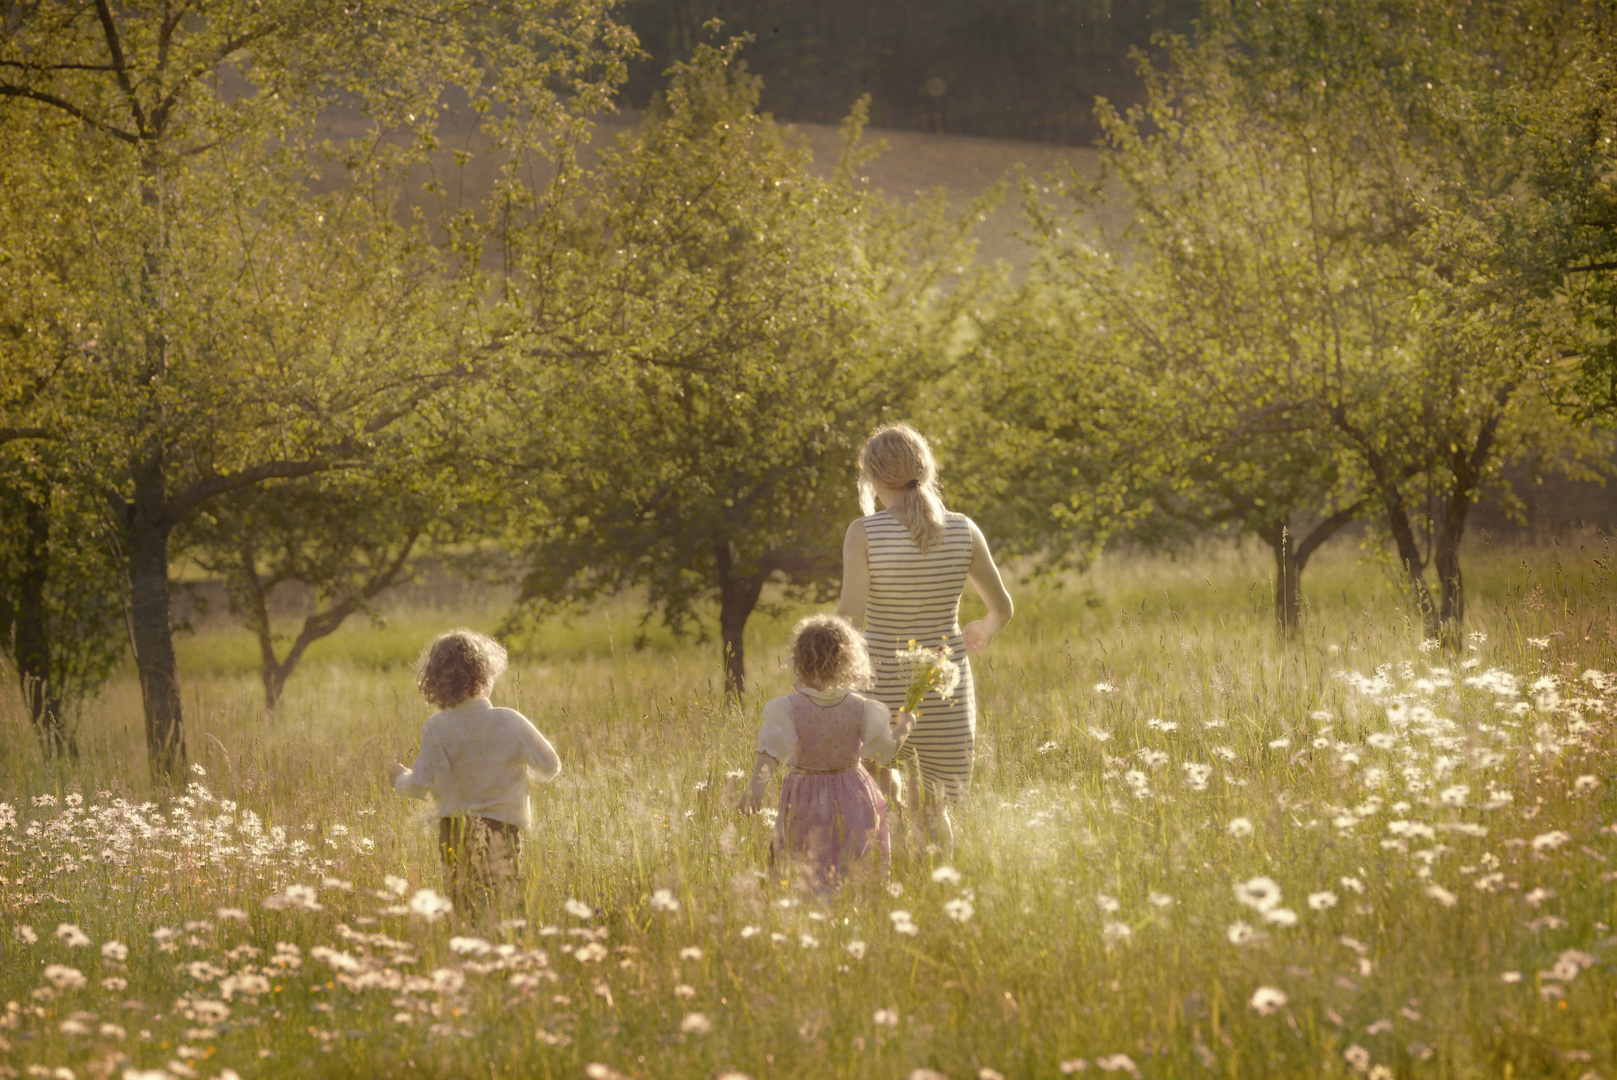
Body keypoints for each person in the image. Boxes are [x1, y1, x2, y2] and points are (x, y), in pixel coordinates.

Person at [837, 422, 1013, 851]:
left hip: (877, 680)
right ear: (925, 469)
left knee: (874, 798)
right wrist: (982, 630)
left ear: (873, 478)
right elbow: (1002, 608)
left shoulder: (864, 532)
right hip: (943, 682)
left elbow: (849, 617)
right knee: (933, 811)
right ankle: (938, 891)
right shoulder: (963, 529)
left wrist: (827, 678)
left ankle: (887, 887)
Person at [389, 629, 560, 917]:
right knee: (501, 905)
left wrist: (398, 778)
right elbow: (550, 766)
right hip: (504, 831)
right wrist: (518, 768)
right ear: (486, 675)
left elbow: (420, 786)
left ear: (435, 682)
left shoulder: (437, 727)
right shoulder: (509, 720)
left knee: (464, 907)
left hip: (455, 832)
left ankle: (466, 954)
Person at [738, 614, 915, 891]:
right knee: (853, 860)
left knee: (806, 860)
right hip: (853, 792)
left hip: (804, 794)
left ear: (799, 660)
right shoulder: (862, 707)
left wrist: (756, 787)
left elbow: (770, 752)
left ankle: (811, 913)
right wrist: (904, 727)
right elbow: (884, 753)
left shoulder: (788, 708)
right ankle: (851, 908)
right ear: (850, 661)